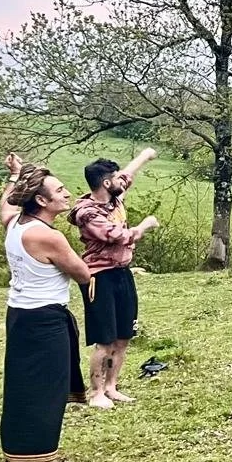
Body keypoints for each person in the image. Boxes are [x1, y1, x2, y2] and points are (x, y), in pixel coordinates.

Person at [0, 153, 92, 462]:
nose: (67, 193)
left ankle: (28, 460)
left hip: (19, 315)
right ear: (41, 200)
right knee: (47, 391)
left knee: (23, 389)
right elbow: (81, 271)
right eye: (60, 190)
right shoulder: (48, 236)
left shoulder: (16, 224)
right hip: (44, 319)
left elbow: (4, 208)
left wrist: (15, 175)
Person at [71, 151, 162, 408]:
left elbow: (127, 174)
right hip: (99, 277)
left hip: (122, 272)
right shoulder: (87, 213)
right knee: (105, 338)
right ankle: (96, 391)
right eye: (116, 178)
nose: (123, 181)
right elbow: (117, 235)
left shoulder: (114, 198)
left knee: (123, 335)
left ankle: (112, 386)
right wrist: (145, 225)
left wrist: (145, 156)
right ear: (106, 184)